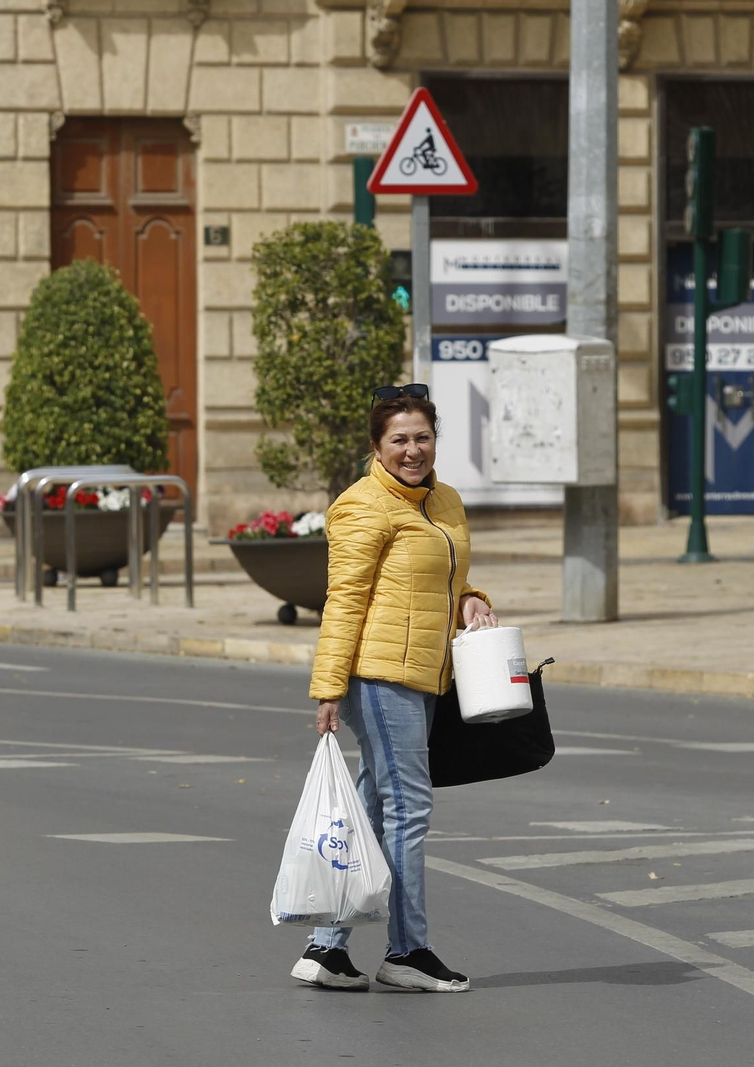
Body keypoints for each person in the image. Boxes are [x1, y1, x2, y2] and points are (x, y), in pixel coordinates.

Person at [291, 383, 495, 994]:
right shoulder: (362, 506)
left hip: (424, 673)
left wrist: (471, 601)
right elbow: (344, 599)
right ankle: (407, 951)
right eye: (399, 440)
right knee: (409, 809)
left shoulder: (445, 500)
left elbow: (444, 579)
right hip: (380, 677)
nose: (413, 450)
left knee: (376, 809)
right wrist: (329, 688)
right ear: (376, 447)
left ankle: (326, 949)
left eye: (422, 437)